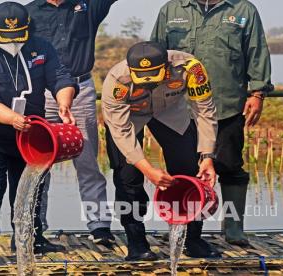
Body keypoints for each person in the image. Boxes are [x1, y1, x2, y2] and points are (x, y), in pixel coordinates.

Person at [0, 2, 78, 266]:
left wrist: (64, 101)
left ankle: (30, 238)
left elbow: (61, 76)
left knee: (31, 182)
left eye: (19, 36)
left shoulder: (40, 46)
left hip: (29, 127)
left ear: (28, 29)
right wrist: (12, 119)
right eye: (6, 37)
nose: (13, 42)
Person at [151, 0, 273, 249]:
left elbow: (257, 52)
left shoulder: (243, 10)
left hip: (225, 103)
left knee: (229, 164)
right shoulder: (171, 10)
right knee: (181, 169)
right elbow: (154, 53)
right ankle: (181, 225)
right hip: (179, 107)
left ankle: (233, 228)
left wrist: (257, 93)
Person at [102, 41, 219, 261]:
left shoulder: (191, 69)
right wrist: (147, 169)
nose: (148, 85)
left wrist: (207, 156)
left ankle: (192, 239)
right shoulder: (116, 80)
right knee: (127, 177)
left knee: (188, 170)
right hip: (130, 117)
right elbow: (120, 131)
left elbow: (204, 111)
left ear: (166, 67)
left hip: (171, 112)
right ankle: (136, 242)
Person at [25, 0, 117, 245]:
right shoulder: (28, 12)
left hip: (81, 89)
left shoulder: (89, 6)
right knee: (39, 165)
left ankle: (99, 226)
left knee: (88, 163)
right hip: (41, 92)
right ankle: (34, 229)